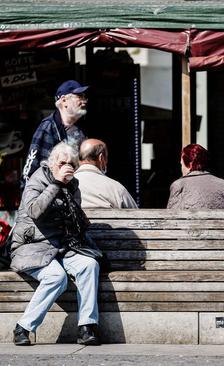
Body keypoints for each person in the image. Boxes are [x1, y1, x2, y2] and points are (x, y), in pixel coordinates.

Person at [11, 142, 101, 346]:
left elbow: (73, 221)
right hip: (33, 247)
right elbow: (34, 211)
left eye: (71, 163)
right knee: (56, 277)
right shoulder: (37, 180)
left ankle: (87, 326)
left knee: (89, 265)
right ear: (52, 164)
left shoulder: (73, 186)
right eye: (62, 163)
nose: (66, 167)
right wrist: (57, 184)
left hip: (62, 247)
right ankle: (23, 327)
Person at [21, 80, 89, 190]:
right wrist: (28, 197)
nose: (84, 101)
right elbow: (31, 168)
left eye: (85, 97)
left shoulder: (80, 130)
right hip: (50, 195)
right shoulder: (47, 127)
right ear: (64, 101)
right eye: (79, 96)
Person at [74, 138, 138, 209]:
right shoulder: (116, 189)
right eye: (106, 157)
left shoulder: (65, 184)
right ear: (101, 158)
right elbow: (137, 216)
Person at [167, 143, 224, 209]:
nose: (181, 168)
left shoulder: (179, 185)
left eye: (182, 164)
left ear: (190, 164)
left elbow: (171, 216)